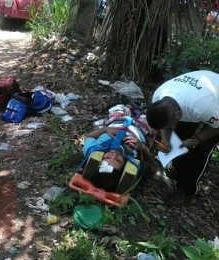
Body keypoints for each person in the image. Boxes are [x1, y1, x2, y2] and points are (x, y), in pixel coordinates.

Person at [146, 70, 219, 204]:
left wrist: (197, 140)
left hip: (214, 100)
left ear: (178, 115)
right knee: (178, 140)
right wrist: (165, 139)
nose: (167, 129)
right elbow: (164, 126)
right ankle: (181, 172)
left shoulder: (203, 107)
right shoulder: (159, 96)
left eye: (168, 126)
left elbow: (217, 127)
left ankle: (186, 189)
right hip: (197, 98)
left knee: (201, 150)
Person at [81, 103, 159, 193]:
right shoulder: (133, 162)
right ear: (123, 167)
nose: (113, 155)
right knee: (152, 117)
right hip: (141, 129)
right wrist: (143, 148)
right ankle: (141, 109)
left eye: (107, 157)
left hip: (116, 121)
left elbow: (89, 137)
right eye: (117, 160)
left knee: (119, 107)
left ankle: (130, 106)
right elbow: (154, 169)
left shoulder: (93, 149)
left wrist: (105, 130)